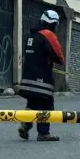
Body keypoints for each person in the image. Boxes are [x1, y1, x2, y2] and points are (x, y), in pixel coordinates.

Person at [17, 10, 65, 142]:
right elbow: (60, 57)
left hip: (28, 78)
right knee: (46, 105)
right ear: (53, 23)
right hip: (42, 80)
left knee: (33, 102)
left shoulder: (31, 35)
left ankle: (25, 124)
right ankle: (43, 133)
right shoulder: (48, 35)